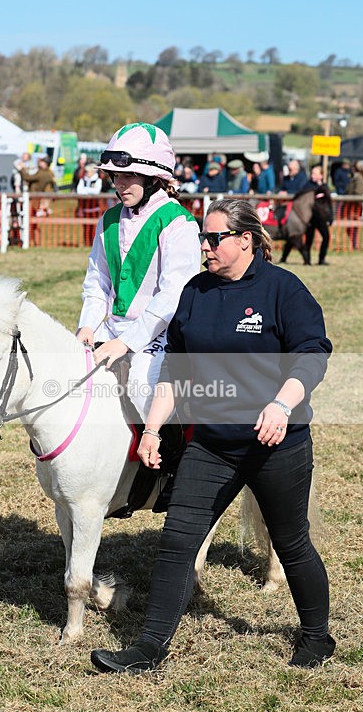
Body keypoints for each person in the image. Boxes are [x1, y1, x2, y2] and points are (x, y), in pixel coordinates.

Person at [91, 198, 335, 675]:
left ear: (245, 240)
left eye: (213, 238)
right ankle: (148, 647)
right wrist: (154, 430)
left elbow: (312, 355)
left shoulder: (283, 289)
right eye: (204, 238)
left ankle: (316, 636)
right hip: (211, 444)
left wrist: (281, 404)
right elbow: (172, 375)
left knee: (291, 543)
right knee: (178, 540)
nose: (204, 246)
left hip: (276, 443)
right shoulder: (194, 293)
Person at [76, 121, 201, 426]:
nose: (119, 183)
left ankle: (168, 461)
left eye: (128, 175)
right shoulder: (108, 220)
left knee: (141, 389)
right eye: (115, 175)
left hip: (160, 333)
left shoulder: (179, 223)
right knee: (71, 381)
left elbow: (173, 296)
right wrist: (87, 326)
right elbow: (98, 282)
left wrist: (126, 343)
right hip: (114, 329)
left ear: (156, 178)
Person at [15, 155, 57, 246]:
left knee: (32, 223)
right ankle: (34, 242)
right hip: (35, 200)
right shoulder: (46, 172)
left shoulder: (44, 174)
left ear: (46, 164)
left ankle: (33, 242)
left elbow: (28, 177)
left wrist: (21, 169)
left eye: (42, 162)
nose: (39, 163)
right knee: (33, 223)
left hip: (35, 201)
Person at [304, 165, 334, 265]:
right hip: (310, 218)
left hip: (321, 218)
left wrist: (331, 217)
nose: (312, 175)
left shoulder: (325, 187)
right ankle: (307, 261)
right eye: (312, 173)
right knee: (309, 239)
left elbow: (329, 203)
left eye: (315, 173)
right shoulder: (308, 186)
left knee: (326, 237)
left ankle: (321, 259)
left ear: (321, 175)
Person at [76, 162, 103, 246]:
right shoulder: (82, 179)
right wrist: (89, 190)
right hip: (84, 208)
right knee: (85, 227)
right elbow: (79, 191)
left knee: (94, 227)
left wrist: (85, 190)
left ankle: (93, 244)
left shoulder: (98, 180)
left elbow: (96, 191)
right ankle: (86, 243)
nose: (87, 173)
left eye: (88, 171)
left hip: (95, 208)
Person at [344, 161, 363, 249]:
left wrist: (349, 196)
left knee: (353, 225)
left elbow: (358, 192)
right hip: (350, 204)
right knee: (349, 225)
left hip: (354, 205)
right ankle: (353, 243)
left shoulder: (359, 178)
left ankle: (355, 244)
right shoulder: (353, 177)